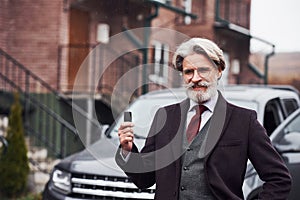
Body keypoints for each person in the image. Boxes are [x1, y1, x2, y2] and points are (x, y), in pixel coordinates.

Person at [115, 38, 291, 199]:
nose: (196, 78)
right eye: (188, 72)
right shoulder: (165, 116)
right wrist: (127, 150)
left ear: (219, 70)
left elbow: (279, 179)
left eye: (203, 70)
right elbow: (144, 179)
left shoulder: (245, 121)